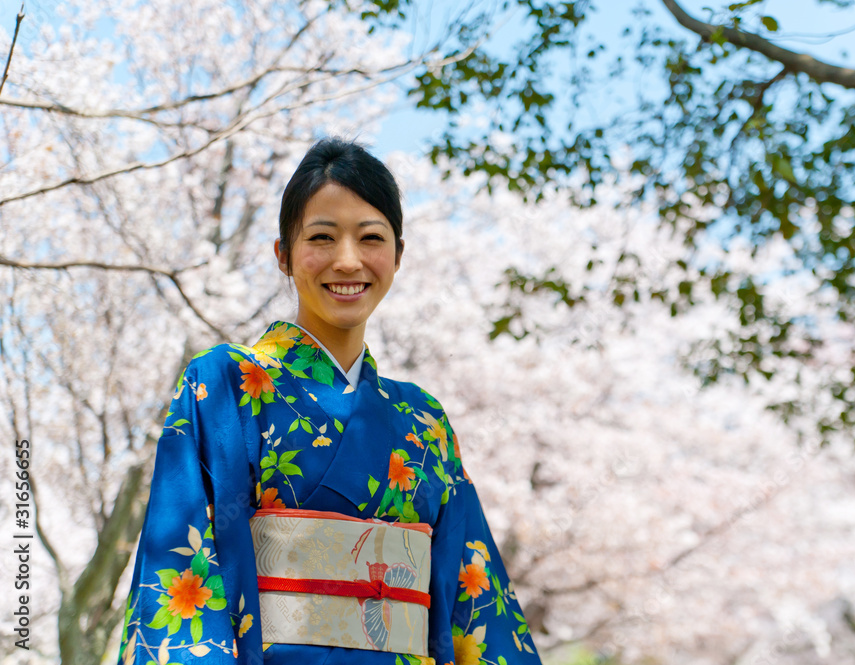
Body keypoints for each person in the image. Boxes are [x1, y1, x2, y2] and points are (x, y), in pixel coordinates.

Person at [117, 138, 542, 665]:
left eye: (370, 238)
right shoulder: (223, 385)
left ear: (398, 255)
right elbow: (179, 564)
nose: (347, 261)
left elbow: (474, 604)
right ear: (284, 254)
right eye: (321, 237)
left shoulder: (423, 419)